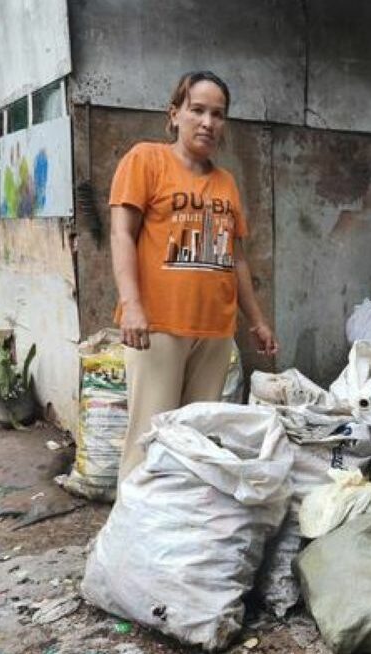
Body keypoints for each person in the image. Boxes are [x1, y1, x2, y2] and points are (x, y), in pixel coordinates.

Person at [109, 70, 278, 481]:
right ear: (175, 114)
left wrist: (255, 320)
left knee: (195, 439)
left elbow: (235, 258)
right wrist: (131, 304)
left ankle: (180, 535)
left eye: (217, 114)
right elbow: (121, 233)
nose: (208, 122)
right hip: (159, 326)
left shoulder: (226, 183)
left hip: (215, 332)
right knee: (150, 438)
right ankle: (133, 532)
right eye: (197, 110)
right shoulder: (146, 159)